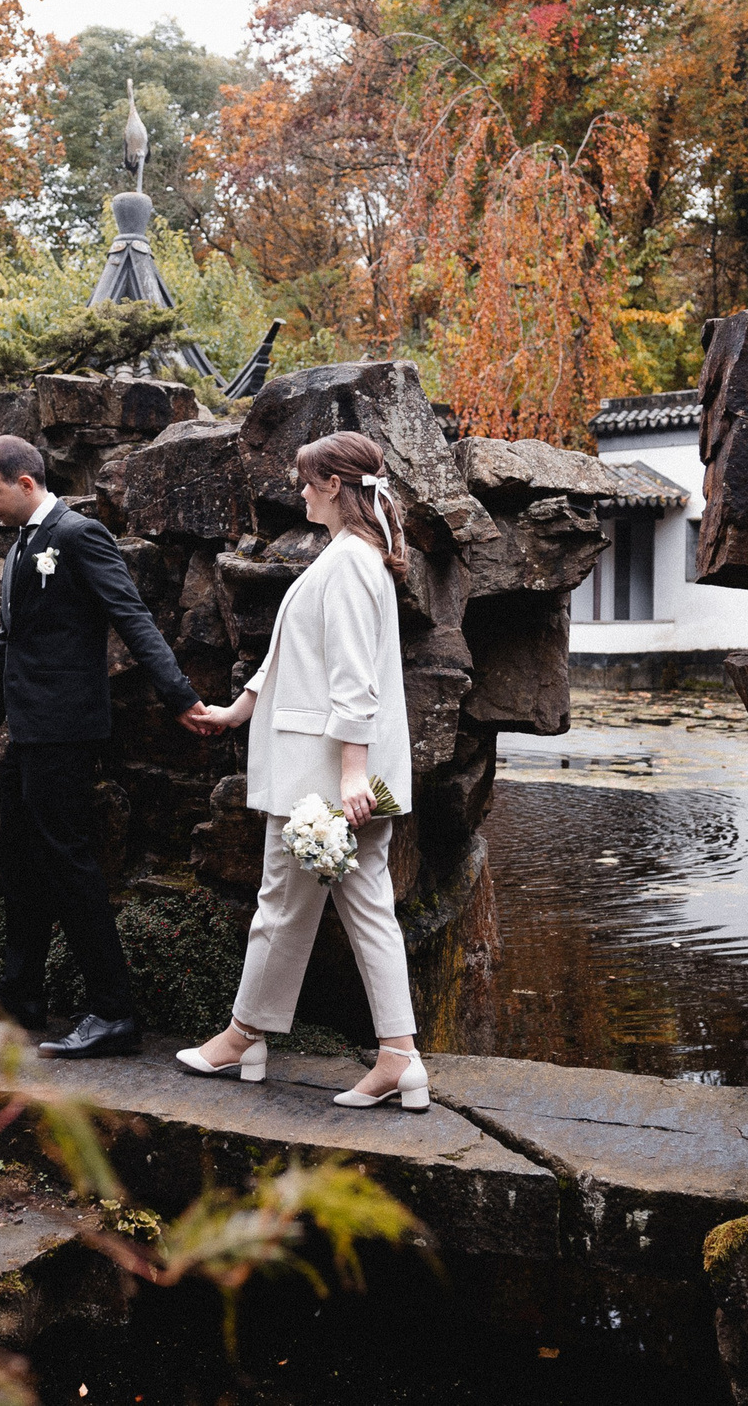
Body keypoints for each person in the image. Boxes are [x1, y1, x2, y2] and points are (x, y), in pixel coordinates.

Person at [178, 431, 426, 1109]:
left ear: (337, 488)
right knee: (365, 911)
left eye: (307, 482)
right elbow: (294, 652)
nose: (300, 491)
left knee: (280, 906)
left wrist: (351, 774)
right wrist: (237, 709)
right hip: (332, 774)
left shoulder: (349, 563)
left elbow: (353, 680)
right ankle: (399, 1057)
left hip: (323, 781)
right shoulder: (352, 556)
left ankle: (244, 1035)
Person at [0, 433, 212, 1059]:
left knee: (69, 864)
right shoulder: (22, 545)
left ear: (25, 484)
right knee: (19, 860)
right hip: (26, 731)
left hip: (66, 732)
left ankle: (113, 1012)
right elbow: (8, 644)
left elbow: (132, 617)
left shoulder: (77, 535)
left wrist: (179, 696)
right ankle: (21, 993)